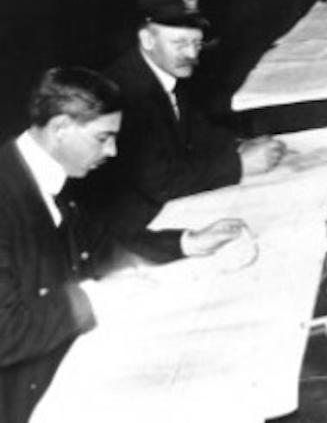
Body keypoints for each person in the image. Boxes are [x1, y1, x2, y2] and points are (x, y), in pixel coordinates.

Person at [0, 67, 250, 423]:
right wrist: (95, 297)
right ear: (59, 129)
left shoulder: (45, 175)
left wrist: (186, 242)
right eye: (102, 138)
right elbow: (4, 332)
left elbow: (103, 246)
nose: (113, 150)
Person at [68, 0, 287, 234]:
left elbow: (196, 128)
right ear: (147, 39)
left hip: (166, 202)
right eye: (180, 44)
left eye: (197, 44)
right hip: (133, 225)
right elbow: (159, 181)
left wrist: (239, 145)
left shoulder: (166, 67)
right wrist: (238, 164)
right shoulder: (125, 93)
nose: (192, 55)